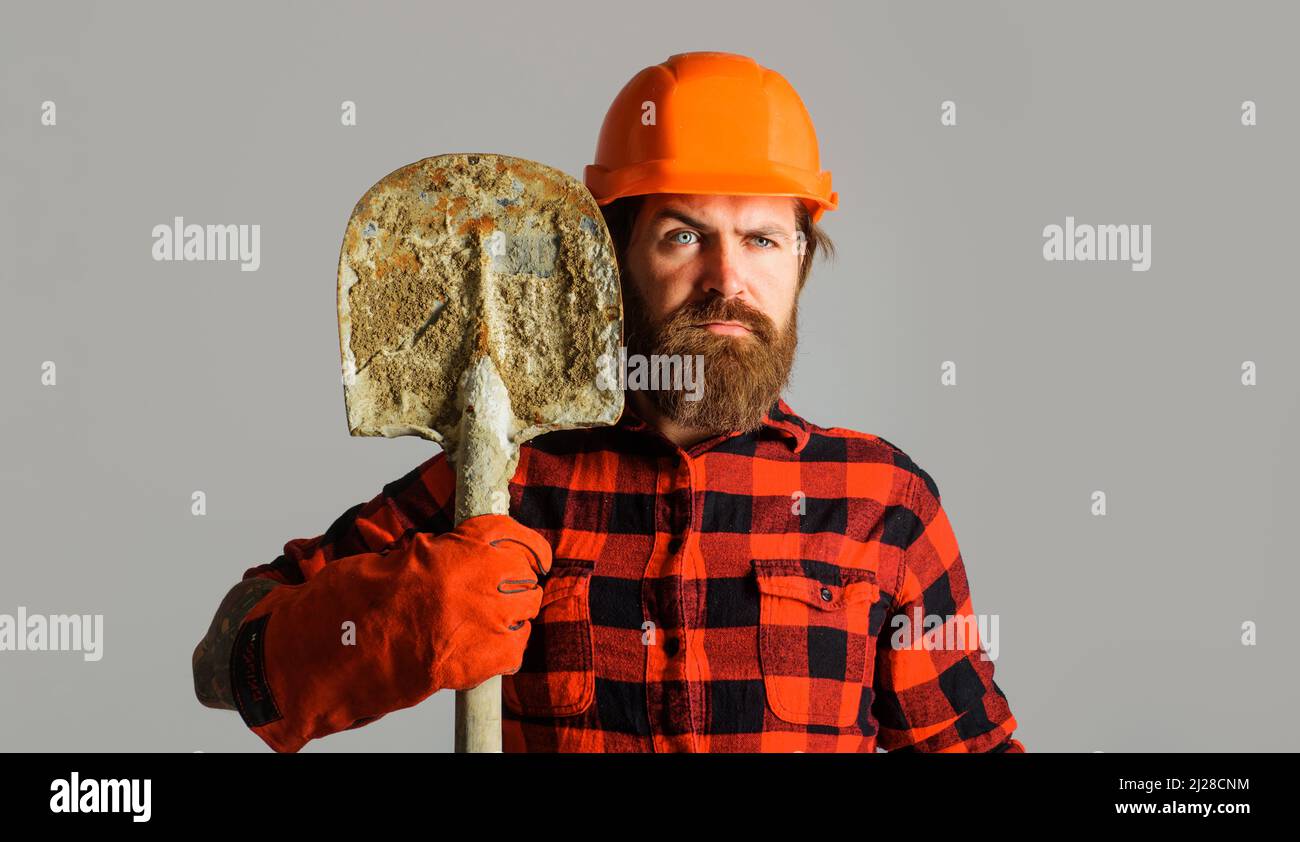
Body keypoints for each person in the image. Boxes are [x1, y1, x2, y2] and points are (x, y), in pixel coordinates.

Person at [192, 51, 1024, 753]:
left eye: (763, 239)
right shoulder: (503, 481)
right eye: (683, 236)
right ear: (614, 264)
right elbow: (225, 659)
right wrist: (394, 619)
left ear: (800, 266)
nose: (727, 280)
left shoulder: (883, 504)